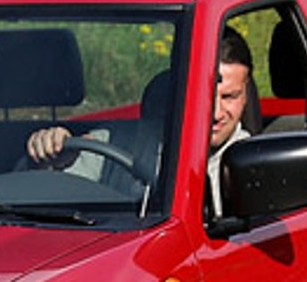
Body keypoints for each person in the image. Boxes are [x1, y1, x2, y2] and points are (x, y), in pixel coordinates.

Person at [25, 28, 257, 217]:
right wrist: (49, 157)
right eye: (202, 96)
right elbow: (37, 202)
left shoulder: (256, 163)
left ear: (246, 95)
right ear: (178, 90)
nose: (216, 113)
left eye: (229, 97)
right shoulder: (116, 142)